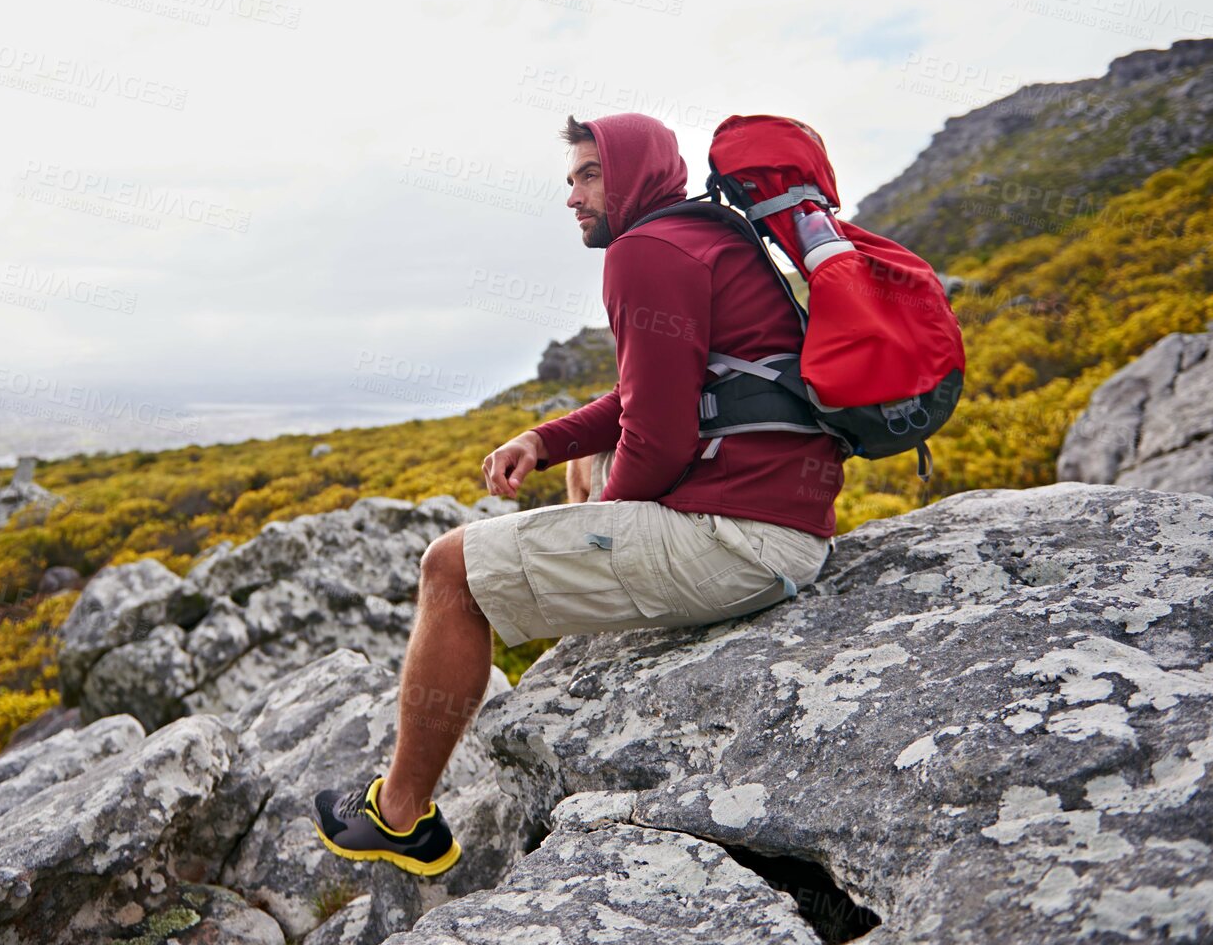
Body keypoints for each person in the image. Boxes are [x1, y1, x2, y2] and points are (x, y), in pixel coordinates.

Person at [312, 111, 845, 876]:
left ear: (636, 172)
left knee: (449, 568)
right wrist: (546, 438)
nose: (573, 196)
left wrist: (598, 520)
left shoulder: (643, 252)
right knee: (585, 467)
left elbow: (658, 442)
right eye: (570, 180)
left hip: (739, 542)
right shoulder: (708, 234)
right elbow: (651, 393)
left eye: (590, 175)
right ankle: (568, 583)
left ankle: (399, 818)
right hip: (786, 529)